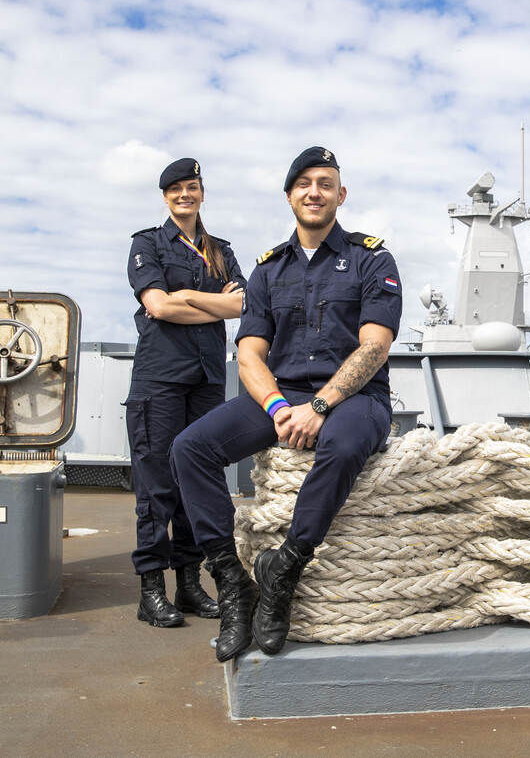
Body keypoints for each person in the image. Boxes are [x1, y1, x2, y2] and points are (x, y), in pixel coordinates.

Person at [170, 145, 402, 662]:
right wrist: (278, 408)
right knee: (190, 448)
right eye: (303, 184)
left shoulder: (372, 259)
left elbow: (374, 347)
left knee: (342, 446)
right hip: (284, 394)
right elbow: (250, 354)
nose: (314, 192)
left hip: (355, 396)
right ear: (290, 196)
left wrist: (319, 407)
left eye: (325, 184)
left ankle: (284, 569)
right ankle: (233, 584)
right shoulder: (268, 270)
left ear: (341, 195)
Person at [125, 158, 247, 628]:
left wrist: (189, 298)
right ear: (165, 196)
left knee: (196, 481)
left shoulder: (220, 250)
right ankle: (151, 591)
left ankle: (190, 585)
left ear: (202, 193)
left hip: (206, 379)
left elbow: (241, 305)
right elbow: (157, 305)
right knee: (157, 485)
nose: (184, 195)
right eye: (176, 188)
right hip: (159, 377)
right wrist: (213, 305)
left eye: (192, 187)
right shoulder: (147, 244)